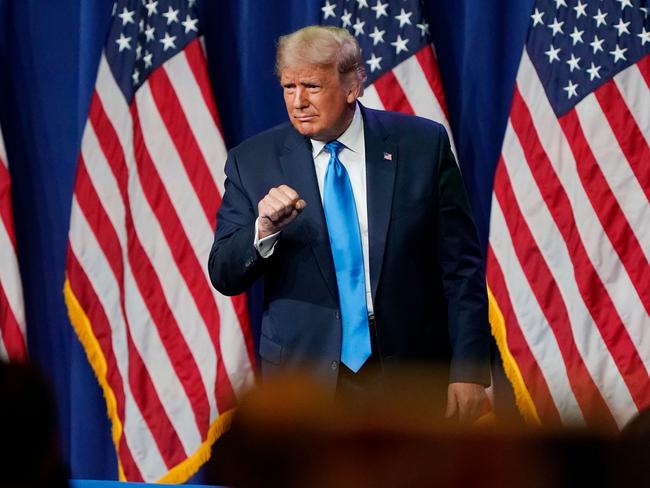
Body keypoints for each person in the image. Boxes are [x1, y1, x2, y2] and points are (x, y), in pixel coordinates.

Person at [208, 25, 490, 423]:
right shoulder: (253, 160)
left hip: (411, 375)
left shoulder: (421, 146)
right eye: (289, 87)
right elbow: (223, 272)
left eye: (312, 86)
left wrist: (469, 370)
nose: (298, 101)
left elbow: (460, 267)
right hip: (304, 381)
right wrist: (264, 230)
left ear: (352, 87)